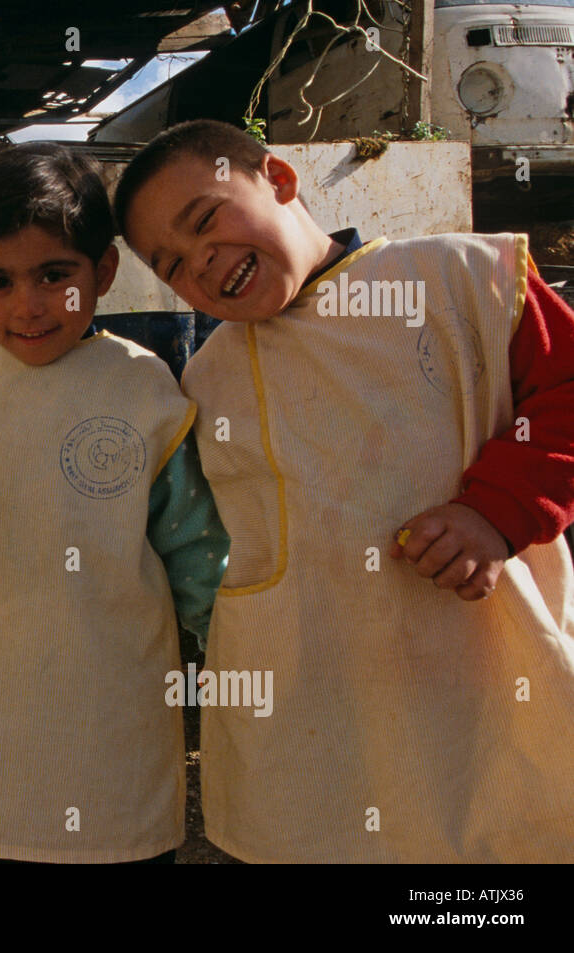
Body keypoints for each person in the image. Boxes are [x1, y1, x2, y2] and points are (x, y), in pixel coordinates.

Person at [112, 118, 574, 862]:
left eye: (206, 220)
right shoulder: (207, 378)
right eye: (172, 264)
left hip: (481, 669)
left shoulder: (461, 279)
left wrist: (496, 510)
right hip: (318, 710)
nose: (202, 261)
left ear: (282, 180)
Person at [0, 144, 228, 863]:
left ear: (104, 271)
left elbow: (193, 542)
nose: (29, 305)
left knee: (115, 840)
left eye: (56, 275)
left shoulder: (145, 391)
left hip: (106, 709)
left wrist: (224, 647)